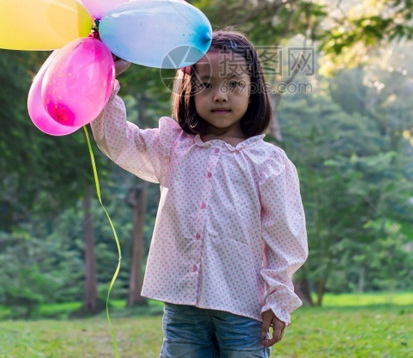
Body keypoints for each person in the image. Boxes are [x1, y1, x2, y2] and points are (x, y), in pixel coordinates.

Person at [90, 29, 308, 357]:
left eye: (234, 84)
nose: (220, 95)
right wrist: (106, 79)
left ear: (254, 91)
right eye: (206, 84)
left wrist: (278, 300)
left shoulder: (268, 163)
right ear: (189, 90)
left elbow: (284, 238)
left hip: (243, 308)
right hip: (182, 307)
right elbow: (119, 140)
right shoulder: (174, 147)